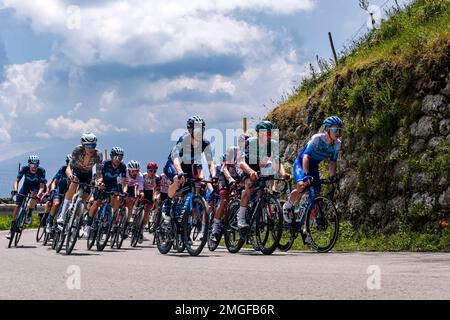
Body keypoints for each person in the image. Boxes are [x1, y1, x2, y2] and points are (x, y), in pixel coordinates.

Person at [162, 115, 217, 240]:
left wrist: (213, 175)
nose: (199, 132)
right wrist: (179, 172)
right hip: (174, 164)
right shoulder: (183, 140)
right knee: (177, 179)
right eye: (196, 129)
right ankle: (168, 204)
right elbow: (175, 158)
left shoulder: (205, 143)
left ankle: (184, 229)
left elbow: (210, 162)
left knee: (188, 198)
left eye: (201, 129)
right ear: (190, 130)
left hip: (188, 167)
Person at [282, 116, 343, 223]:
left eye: (339, 130)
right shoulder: (317, 139)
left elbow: (332, 162)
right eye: (335, 129)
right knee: (302, 186)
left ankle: (307, 226)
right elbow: (306, 157)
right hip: (302, 163)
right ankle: (288, 205)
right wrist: (306, 174)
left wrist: (332, 176)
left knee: (316, 193)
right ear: (328, 129)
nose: (338, 132)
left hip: (314, 166)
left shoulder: (337, 144)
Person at [238, 121, 290, 228]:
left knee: (262, 190)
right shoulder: (251, 142)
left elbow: (277, 162)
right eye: (266, 134)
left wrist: (283, 174)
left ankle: (257, 214)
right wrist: (251, 172)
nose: (268, 137)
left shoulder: (273, 144)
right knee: (249, 185)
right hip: (248, 167)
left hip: (261, 166)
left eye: (270, 134)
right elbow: (242, 163)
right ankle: (241, 218)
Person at [58, 133, 103, 229]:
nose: (92, 148)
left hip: (87, 174)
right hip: (76, 172)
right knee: (74, 183)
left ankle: (77, 221)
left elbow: (99, 174)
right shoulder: (77, 150)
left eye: (94, 145)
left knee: (83, 199)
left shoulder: (98, 155)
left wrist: (99, 182)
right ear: (83, 145)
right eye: (89, 146)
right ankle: (62, 215)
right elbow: (69, 167)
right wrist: (70, 175)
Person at [85, 147, 127, 237]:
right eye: (116, 157)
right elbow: (98, 175)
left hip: (112, 183)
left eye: (120, 158)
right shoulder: (105, 163)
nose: (118, 160)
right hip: (102, 181)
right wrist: (99, 183)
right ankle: (88, 225)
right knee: (96, 203)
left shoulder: (122, 166)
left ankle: (109, 218)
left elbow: (124, 182)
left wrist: (124, 191)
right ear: (112, 157)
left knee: (116, 197)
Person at [6, 155, 46, 239]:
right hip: (25, 187)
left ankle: (29, 214)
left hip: (35, 187)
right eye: (32, 165)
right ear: (29, 165)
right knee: (17, 206)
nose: (34, 168)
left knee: (34, 195)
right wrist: (15, 189)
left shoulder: (41, 171)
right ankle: (11, 228)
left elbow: (42, 186)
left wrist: (39, 194)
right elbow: (16, 181)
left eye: (36, 166)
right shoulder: (24, 168)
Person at [210, 146, 243, 243]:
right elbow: (224, 169)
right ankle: (214, 229)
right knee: (224, 200)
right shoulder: (232, 151)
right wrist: (230, 179)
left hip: (236, 177)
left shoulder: (244, 156)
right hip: (224, 178)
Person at [44, 154, 71, 233]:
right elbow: (54, 182)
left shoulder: (76, 172)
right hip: (59, 190)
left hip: (68, 193)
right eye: (68, 162)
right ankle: (49, 222)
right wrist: (52, 190)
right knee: (56, 204)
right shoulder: (63, 169)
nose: (69, 165)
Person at [139, 162, 160, 243]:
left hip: (151, 193)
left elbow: (156, 190)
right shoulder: (143, 175)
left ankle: (142, 230)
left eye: (154, 171)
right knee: (138, 205)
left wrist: (155, 198)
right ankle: (135, 220)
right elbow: (139, 186)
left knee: (147, 211)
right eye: (151, 171)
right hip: (143, 191)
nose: (152, 173)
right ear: (147, 170)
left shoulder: (157, 178)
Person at [123, 160, 143, 238]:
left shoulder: (140, 175)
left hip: (131, 187)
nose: (135, 173)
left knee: (130, 203)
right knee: (119, 198)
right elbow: (122, 183)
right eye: (133, 171)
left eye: (137, 171)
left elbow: (140, 188)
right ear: (129, 170)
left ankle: (126, 224)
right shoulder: (125, 172)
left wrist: (140, 193)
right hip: (122, 184)